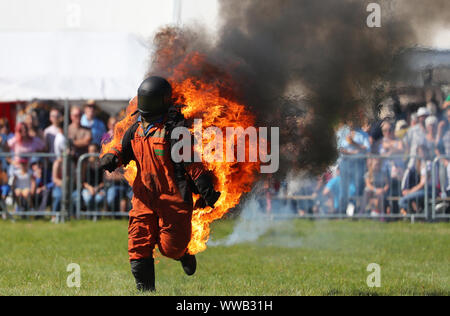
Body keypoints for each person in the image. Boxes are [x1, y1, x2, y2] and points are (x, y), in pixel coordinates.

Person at [100, 76, 221, 292]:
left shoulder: (175, 130)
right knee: (138, 244)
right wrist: (112, 157)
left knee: (170, 248)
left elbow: (192, 164)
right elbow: (123, 150)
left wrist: (206, 190)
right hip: (143, 197)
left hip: (173, 199)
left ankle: (183, 253)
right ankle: (146, 291)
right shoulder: (135, 129)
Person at [81, 143, 105, 212]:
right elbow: (82, 181)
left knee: (98, 198)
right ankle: (89, 215)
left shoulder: (102, 164)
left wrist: (97, 188)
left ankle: (96, 215)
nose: (92, 153)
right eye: (90, 151)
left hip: (99, 188)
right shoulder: (85, 164)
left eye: (94, 151)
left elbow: (104, 181)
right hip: (87, 188)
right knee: (88, 198)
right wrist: (90, 188)